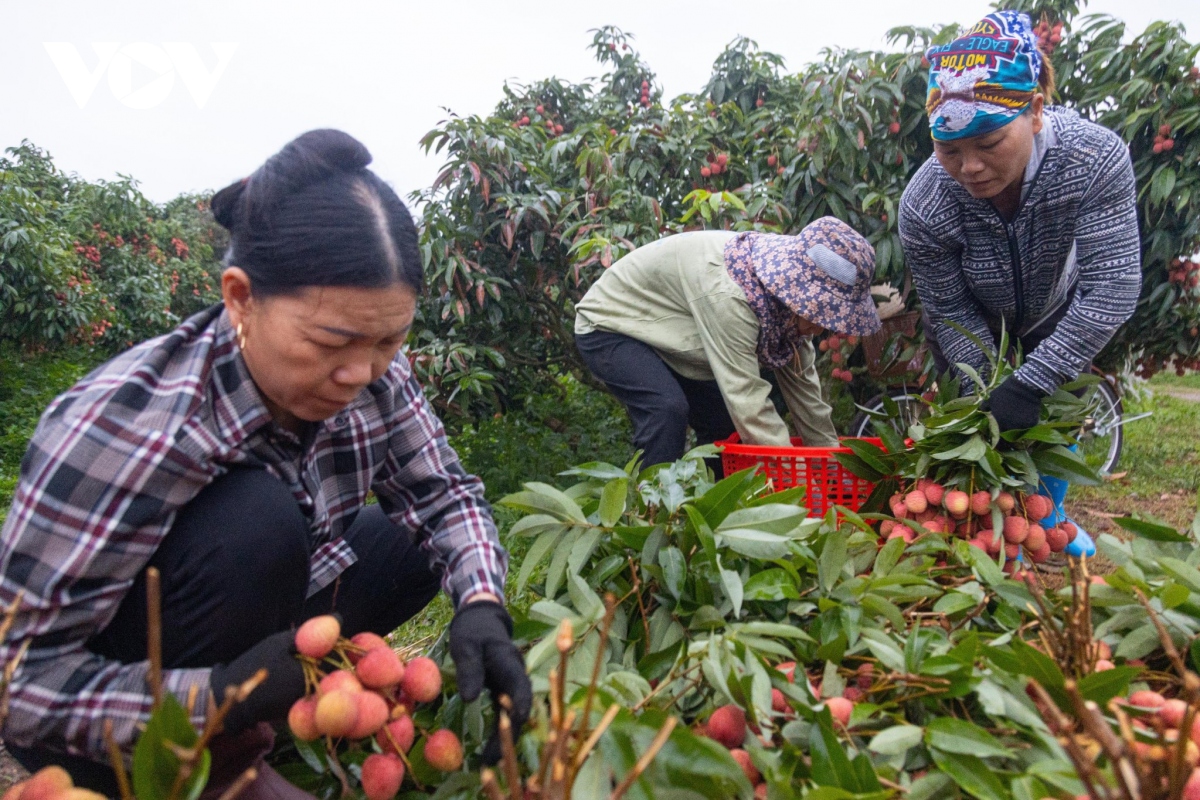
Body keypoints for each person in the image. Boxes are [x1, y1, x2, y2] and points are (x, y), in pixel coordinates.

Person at [0, 130, 531, 798]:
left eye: (389, 340)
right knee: (257, 520)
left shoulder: (373, 375)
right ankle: (213, 755)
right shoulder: (126, 425)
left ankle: (272, 708)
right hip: (104, 703)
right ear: (240, 297)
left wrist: (482, 604)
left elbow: (444, 496)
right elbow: (17, 682)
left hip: (256, 608)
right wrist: (223, 693)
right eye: (331, 342)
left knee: (408, 542)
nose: (360, 373)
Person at [899, 10, 1142, 554]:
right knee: (979, 422)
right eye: (949, 150)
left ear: (1034, 112)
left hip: (1059, 310)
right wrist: (988, 387)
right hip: (973, 319)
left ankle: (1049, 517)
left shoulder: (1093, 158)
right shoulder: (925, 202)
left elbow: (1113, 284)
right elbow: (950, 309)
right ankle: (987, 535)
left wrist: (1033, 382)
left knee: (1051, 415)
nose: (969, 167)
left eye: (989, 144)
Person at [574, 217, 882, 469]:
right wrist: (800, 484)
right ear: (798, 293)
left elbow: (807, 398)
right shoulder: (733, 297)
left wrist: (832, 467)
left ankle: (713, 514)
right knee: (666, 411)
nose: (822, 327)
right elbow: (750, 404)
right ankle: (648, 514)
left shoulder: (787, 312)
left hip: (673, 332)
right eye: (822, 313)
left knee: (723, 426)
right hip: (613, 323)